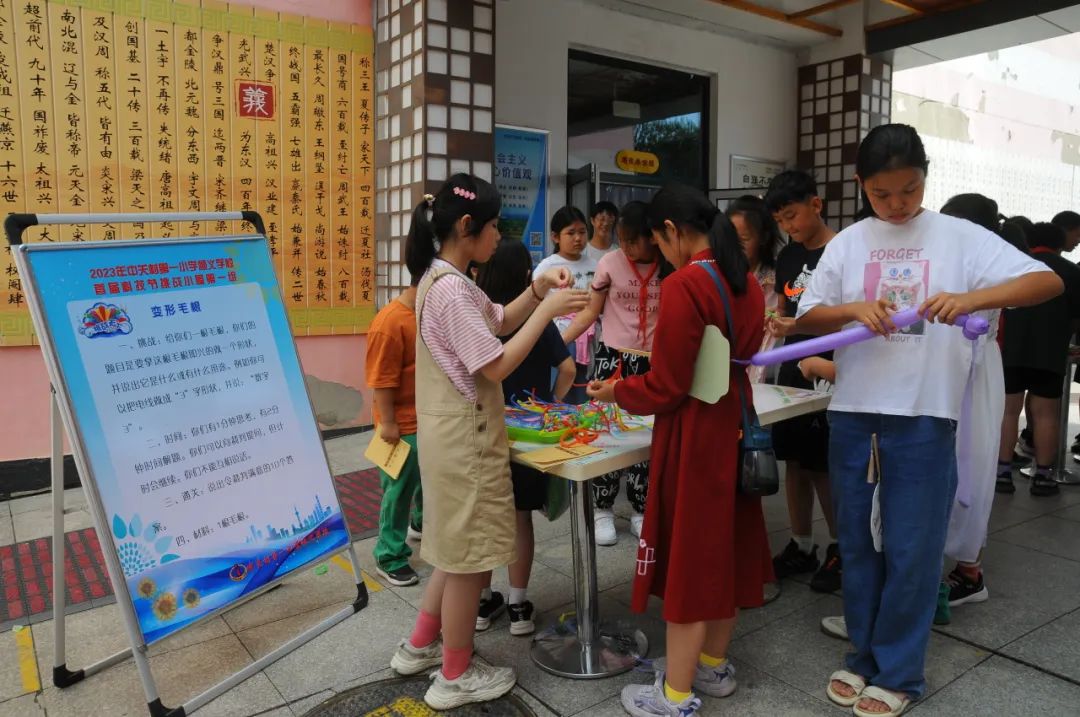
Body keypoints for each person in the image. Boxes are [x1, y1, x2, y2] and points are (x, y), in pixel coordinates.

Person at [793, 124, 1061, 716]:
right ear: (862, 186)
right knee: (859, 543)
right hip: (856, 414)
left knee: (914, 548)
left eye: (909, 191)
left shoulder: (960, 237)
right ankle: (862, 657)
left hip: (924, 416)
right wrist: (852, 310)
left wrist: (971, 300)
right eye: (882, 194)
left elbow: (1049, 280)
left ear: (925, 179)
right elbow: (807, 317)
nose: (897, 206)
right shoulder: (849, 243)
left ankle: (901, 674)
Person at [388, 174, 588, 710]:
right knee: (470, 559)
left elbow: (497, 320)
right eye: (495, 226)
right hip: (466, 441)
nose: (500, 236)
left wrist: (537, 291)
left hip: (450, 437)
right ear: (467, 227)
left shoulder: (443, 277)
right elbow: (496, 363)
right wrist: (549, 311)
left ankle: (420, 647)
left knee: (454, 555)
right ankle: (454, 674)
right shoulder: (452, 288)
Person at [587, 183, 773, 717]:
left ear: (670, 231)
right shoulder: (748, 283)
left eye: (658, 242)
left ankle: (674, 696)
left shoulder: (687, 284)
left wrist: (617, 389)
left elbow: (666, 385)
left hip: (695, 433)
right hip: (737, 423)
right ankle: (713, 664)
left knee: (692, 561)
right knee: (728, 549)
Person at [473, 239, 577, 636]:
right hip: (528, 434)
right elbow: (567, 369)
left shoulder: (477, 319)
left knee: (484, 519)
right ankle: (518, 607)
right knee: (519, 517)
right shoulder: (537, 318)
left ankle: (482, 605)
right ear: (525, 276)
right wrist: (550, 405)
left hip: (485, 431)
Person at [563, 201, 663, 545]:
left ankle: (641, 509)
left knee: (646, 437)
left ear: (653, 238)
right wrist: (557, 342)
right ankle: (602, 507)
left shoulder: (669, 266)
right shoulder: (609, 263)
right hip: (613, 360)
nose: (627, 248)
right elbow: (592, 312)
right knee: (607, 431)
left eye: (633, 241)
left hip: (653, 361)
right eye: (623, 241)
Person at [762, 170, 842, 594]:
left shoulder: (842, 251)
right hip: (793, 366)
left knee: (824, 463)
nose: (789, 227)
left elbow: (851, 313)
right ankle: (801, 543)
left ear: (816, 204)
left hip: (829, 365)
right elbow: (783, 307)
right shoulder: (789, 256)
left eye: (793, 215)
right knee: (793, 458)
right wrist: (776, 326)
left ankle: (840, 547)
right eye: (781, 221)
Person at [997, 222, 1080, 498]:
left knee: (1008, 412)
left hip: (1010, 351)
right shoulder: (1071, 271)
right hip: (1050, 353)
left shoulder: (1016, 265)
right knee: (1046, 414)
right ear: (1059, 243)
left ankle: (1002, 473)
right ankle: (1044, 477)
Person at [366, 267, 425, 588]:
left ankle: (419, 524)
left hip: (427, 417)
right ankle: (389, 554)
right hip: (399, 425)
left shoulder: (426, 313)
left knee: (424, 482)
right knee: (398, 492)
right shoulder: (390, 322)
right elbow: (381, 380)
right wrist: (388, 423)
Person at [535, 206, 599, 403]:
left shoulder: (595, 265)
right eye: (570, 233)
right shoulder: (548, 266)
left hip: (588, 338)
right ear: (555, 237)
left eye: (582, 232)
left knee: (583, 389)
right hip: (560, 337)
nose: (578, 238)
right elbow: (535, 302)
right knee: (558, 390)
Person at [727, 196, 784, 384]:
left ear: (763, 237)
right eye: (730, 239)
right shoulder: (721, 274)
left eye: (744, 239)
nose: (735, 247)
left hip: (764, 367)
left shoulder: (777, 278)